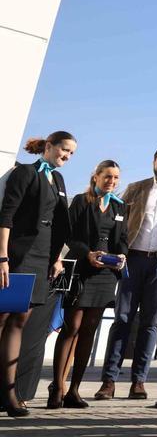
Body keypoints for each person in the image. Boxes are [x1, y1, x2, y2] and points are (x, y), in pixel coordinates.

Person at [95, 147, 157, 401]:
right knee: (123, 319)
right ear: (153, 162)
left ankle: (139, 381)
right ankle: (109, 380)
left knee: (151, 323)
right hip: (132, 259)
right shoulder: (136, 188)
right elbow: (121, 220)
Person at [0, 132, 74, 417]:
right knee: (3, 317)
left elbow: (58, 223)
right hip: (17, 256)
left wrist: (56, 258)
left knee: (20, 320)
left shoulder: (58, 180)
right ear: (48, 147)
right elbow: (6, 215)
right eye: (63, 149)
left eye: (71, 153)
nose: (66, 155)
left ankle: (9, 395)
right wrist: (3, 257)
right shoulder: (25, 174)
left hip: (42, 258)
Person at [48, 160, 128, 409]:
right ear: (96, 176)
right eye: (107, 176)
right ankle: (57, 387)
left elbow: (123, 239)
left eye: (115, 178)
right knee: (72, 326)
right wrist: (88, 254)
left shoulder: (121, 206)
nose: (111, 182)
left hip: (106, 275)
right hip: (82, 269)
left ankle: (74, 390)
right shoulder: (82, 201)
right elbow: (70, 235)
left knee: (89, 331)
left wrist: (122, 256)